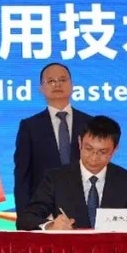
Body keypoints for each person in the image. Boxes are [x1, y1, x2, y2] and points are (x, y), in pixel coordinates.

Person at [17, 115, 127, 231]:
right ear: (79, 142)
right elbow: (26, 218)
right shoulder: (56, 178)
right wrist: (50, 226)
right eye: (89, 149)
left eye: (103, 152)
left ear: (115, 150)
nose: (94, 157)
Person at [13, 63, 90, 213]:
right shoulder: (30, 126)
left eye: (62, 80)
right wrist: (25, 217)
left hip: (85, 206)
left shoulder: (90, 123)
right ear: (41, 88)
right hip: (44, 209)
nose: (57, 84)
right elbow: (23, 176)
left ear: (72, 85)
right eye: (51, 81)